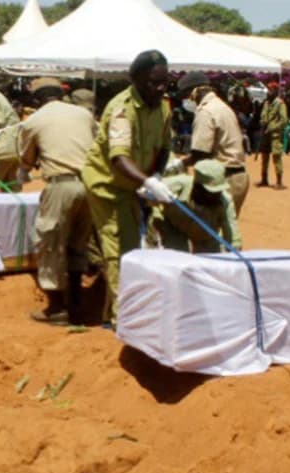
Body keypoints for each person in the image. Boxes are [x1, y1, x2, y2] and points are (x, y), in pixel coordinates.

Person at [80, 50, 173, 327]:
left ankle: (111, 314)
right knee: (119, 249)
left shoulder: (164, 108)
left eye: (164, 82)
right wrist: (146, 181)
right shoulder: (122, 110)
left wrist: (155, 175)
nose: (159, 88)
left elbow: (165, 147)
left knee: (132, 248)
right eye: (153, 83)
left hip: (134, 184)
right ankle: (124, 322)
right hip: (107, 186)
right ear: (137, 80)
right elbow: (119, 158)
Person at [19, 80, 96, 325]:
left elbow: (27, 159)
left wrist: (26, 168)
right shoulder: (83, 114)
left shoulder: (33, 121)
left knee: (50, 243)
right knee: (78, 244)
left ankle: (57, 308)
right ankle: (77, 303)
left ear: (36, 100)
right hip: (90, 184)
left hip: (61, 184)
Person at [176, 72, 250, 214]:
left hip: (222, 181)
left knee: (207, 229)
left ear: (194, 92)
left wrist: (180, 164)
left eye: (186, 96)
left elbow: (200, 154)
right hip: (239, 177)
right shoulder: (222, 106)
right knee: (228, 230)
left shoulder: (206, 112)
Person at [153, 160, 242, 255]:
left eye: (219, 191)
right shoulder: (177, 184)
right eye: (211, 192)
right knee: (178, 257)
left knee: (210, 262)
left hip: (205, 236)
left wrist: (235, 251)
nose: (216, 195)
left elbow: (232, 238)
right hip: (174, 227)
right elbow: (147, 192)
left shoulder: (225, 202)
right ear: (197, 186)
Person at [258, 81, 288, 190]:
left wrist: (272, 127)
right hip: (265, 134)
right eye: (268, 90)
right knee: (264, 157)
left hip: (275, 135)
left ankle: (279, 181)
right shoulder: (266, 103)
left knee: (276, 158)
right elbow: (263, 116)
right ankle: (264, 179)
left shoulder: (280, 104)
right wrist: (262, 121)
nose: (268, 92)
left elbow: (284, 120)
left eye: (271, 90)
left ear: (275, 92)